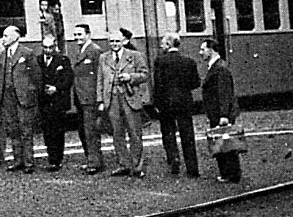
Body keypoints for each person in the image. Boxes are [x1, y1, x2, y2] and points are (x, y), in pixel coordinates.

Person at [98, 29, 150, 178]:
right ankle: (124, 164)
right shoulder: (103, 57)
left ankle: (137, 166)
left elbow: (145, 74)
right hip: (112, 99)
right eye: (111, 42)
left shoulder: (134, 56)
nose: (114, 44)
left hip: (130, 98)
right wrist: (100, 101)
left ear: (124, 42)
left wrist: (130, 76)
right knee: (117, 133)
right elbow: (100, 81)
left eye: (117, 41)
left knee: (135, 133)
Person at [153, 33, 202, 178]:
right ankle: (192, 168)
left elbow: (158, 85)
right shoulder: (189, 61)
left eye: (163, 44)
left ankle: (174, 160)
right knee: (187, 135)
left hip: (166, 103)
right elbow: (195, 83)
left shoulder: (160, 61)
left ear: (168, 45)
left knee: (168, 133)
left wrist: (157, 103)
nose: (161, 46)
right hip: (184, 102)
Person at [0, 25, 41, 173]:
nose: (3, 38)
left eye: (5, 36)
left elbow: (36, 76)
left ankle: (29, 162)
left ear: (15, 37)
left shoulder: (27, 53)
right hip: (8, 98)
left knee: (26, 131)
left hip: (23, 98)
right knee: (13, 130)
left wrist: (31, 93)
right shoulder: (3, 54)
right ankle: (18, 161)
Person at [200, 38, 242, 183]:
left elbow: (224, 94)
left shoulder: (220, 68)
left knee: (226, 143)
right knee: (224, 143)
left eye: (203, 49)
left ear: (211, 50)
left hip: (221, 114)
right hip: (217, 113)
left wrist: (224, 115)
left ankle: (231, 174)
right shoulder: (217, 66)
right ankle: (228, 173)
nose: (201, 53)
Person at [70, 23, 105, 174]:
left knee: (91, 131)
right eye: (75, 35)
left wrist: (99, 98)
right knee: (86, 130)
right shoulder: (82, 50)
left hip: (90, 98)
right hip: (81, 97)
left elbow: (100, 76)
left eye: (80, 34)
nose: (77, 37)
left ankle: (95, 162)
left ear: (88, 34)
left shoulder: (94, 51)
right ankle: (92, 159)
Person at [38, 35, 73, 171]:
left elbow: (68, 79)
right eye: (45, 47)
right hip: (44, 101)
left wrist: (56, 88)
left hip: (58, 101)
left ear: (55, 47)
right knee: (47, 131)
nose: (47, 50)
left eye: (50, 47)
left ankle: (57, 160)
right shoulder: (39, 60)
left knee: (58, 131)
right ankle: (51, 157)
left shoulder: (63, 60)